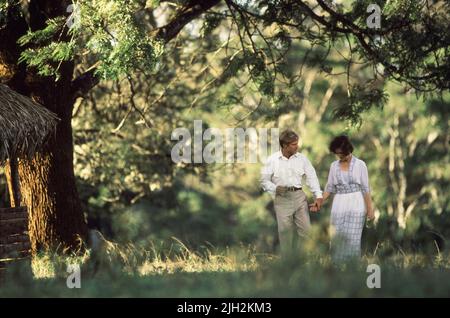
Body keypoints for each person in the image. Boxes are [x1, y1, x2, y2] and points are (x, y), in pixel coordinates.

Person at [260, 129, 323, 255]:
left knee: (306, 231)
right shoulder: (272, 160)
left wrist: (319, 196)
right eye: (294, 144)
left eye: (297, 143)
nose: (297, 146)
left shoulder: (302, 159)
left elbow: (311, 177)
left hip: (299, 196)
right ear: (284, 145)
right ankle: (288, 263)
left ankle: (306, 260)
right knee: (285, 234)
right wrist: (275, 188)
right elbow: (263, 181)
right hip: (282, 198)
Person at [313, 135, 374, 262]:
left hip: (356, 204)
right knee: (337, 238)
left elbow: (365, 189)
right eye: (337, 154)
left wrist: (370, 209)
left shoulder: (360, 165)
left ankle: (352, 268)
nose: (339, 156)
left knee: (352, 239)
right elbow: (329, 188)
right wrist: (319, 201)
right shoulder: (334, 166)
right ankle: (336, 269)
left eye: (341, 153)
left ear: (348, 150)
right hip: (339, 204)